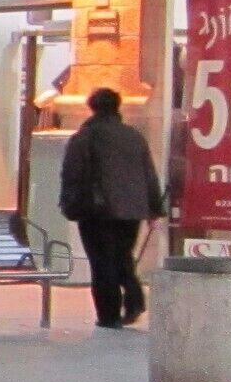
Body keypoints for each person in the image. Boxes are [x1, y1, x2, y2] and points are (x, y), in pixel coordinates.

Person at [59, 87, 165, 330]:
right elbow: (148, 173)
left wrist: (69, 203)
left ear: (92, 107)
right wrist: (154, 207)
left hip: (97, 211)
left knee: (102, 261)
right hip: (131, 211)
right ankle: (135, 299)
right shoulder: (133, 136)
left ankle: (109, 314)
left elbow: (72, 174)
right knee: (122, 256)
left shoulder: (85, 137)